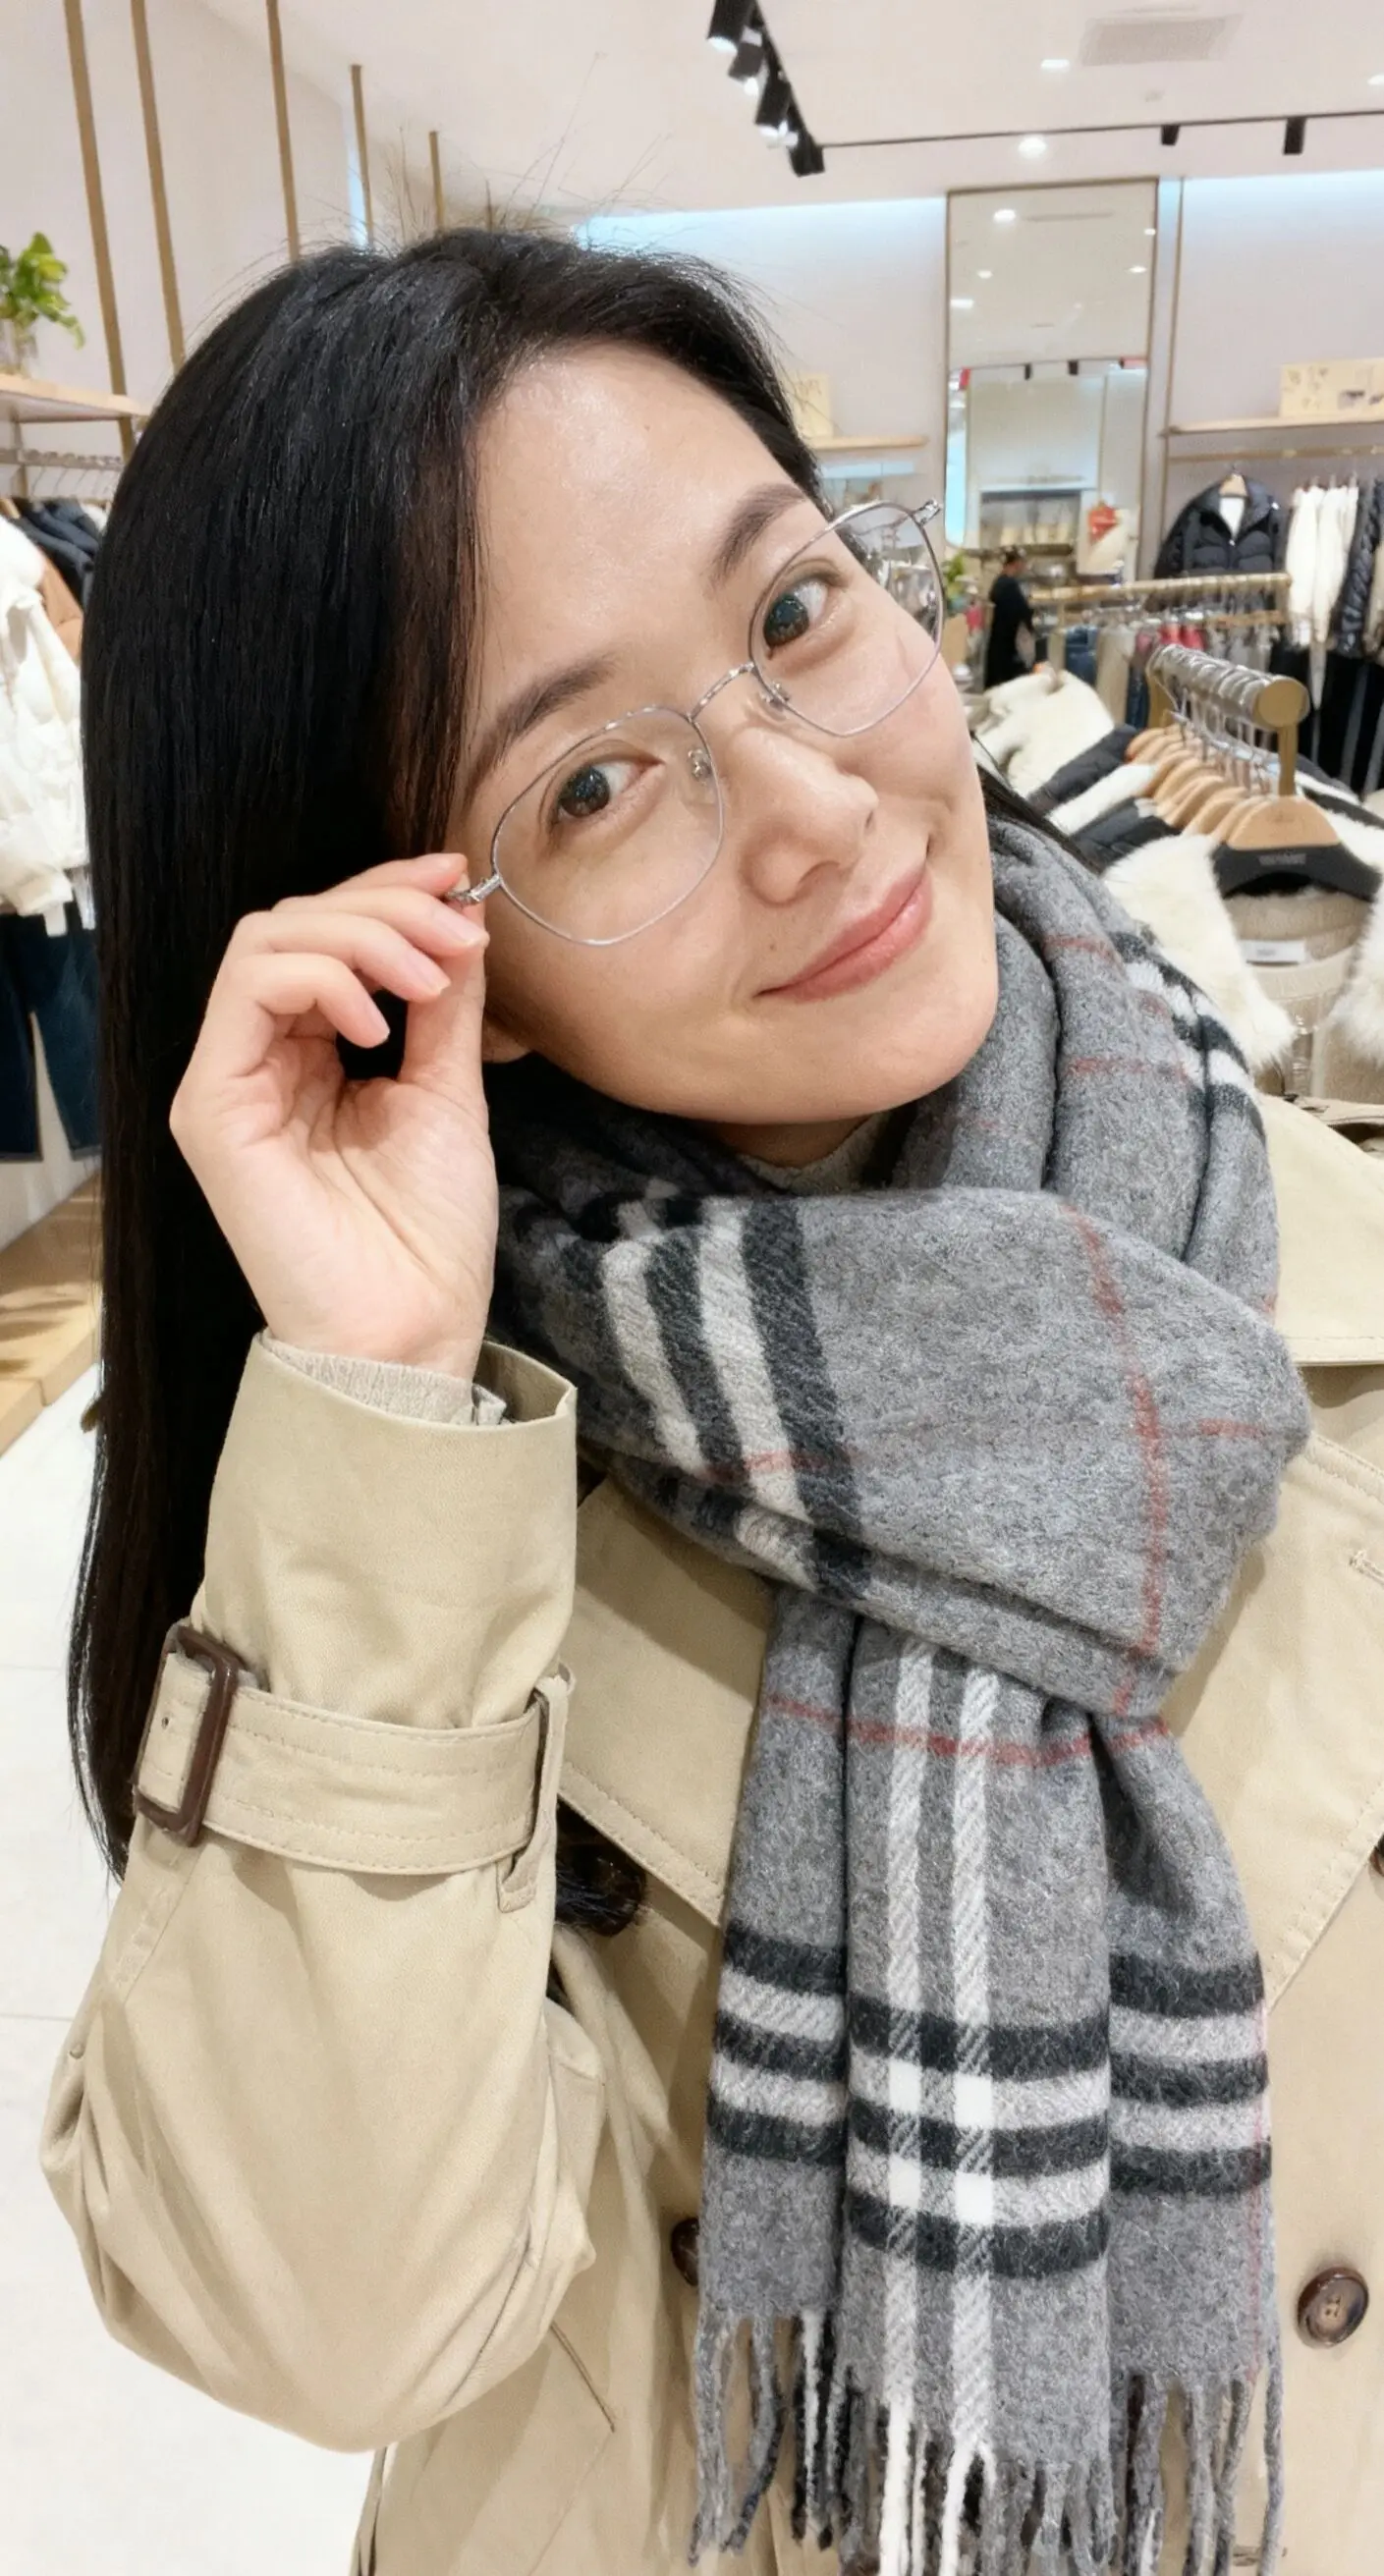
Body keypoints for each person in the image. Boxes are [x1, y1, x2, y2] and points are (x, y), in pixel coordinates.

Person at [42, 233, 1384, 2576]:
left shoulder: (1306, 1259)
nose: (812, 807)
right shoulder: (429, 1505)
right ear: (435, 954)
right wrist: (374, 1401)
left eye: (788, 610)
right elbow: (327, 2324)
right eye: (586, 786)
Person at [983, 545, 1035, 688]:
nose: (1023, 566)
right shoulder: (1009, 584)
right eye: (1022, 562)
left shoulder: (999, 582)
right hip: (1006, 649)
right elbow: (1022, 612)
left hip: (997, 645)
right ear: (1016, 563)